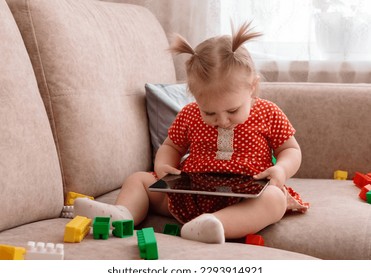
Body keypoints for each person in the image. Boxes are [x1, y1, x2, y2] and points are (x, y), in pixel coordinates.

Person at [74, 22, 309, 244]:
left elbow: (290, 149)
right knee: (138, 180)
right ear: (194, 97)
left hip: (246, 197)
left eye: (232, 110)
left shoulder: (268, 112)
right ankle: (122, 215)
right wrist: (164, 166)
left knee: (274, 201)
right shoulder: (189, 114)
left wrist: (281, 169)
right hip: (190, 195)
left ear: (252, 87)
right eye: (210, 113)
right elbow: (171, 146)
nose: (222, 121)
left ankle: (214, 225)